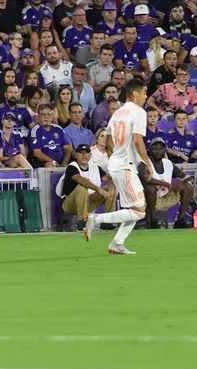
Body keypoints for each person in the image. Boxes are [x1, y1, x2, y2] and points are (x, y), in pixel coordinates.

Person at [84, 78, 153, 255]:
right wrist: (148, 162)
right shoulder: (138, 112)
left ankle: (117, 243)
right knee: (139, 212)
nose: (146, 96)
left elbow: (107, 140)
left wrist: (117, 154)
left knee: (136, 208)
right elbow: (138, 141)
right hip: (125, 166)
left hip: (117, 163)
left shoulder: (117, 112)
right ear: (135, 93)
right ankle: (95, 219)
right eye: (144, 92)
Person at [141, 137, 194, 229]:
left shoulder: (168, 163)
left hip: (166, 196)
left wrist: (179, 182)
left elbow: (187, 176)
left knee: (188, 187)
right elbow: (146, 180)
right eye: (155, 148)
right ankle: (153, 222)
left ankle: (180, 221)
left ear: (164, 150)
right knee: (150, 188)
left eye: (161, 148)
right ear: (150, 150)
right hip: (149, 199)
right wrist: (167, 184)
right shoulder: (144, 163)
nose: (158, 151)